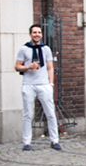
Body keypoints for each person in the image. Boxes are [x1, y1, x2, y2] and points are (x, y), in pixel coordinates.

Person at [15, 24, 62, 152]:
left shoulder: (46, 49)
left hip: (44, 85)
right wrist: (28, 67)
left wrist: (51, 84)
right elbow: (17, 66)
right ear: (30, 34)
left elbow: (50, 67)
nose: (37, 34)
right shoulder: (24, 49)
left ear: (41, 34)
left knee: (50, 113)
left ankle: (55, 140)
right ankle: (26, 142)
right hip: (28, 84)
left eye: (39, 32)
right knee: (28, 114)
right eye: (34, 32)